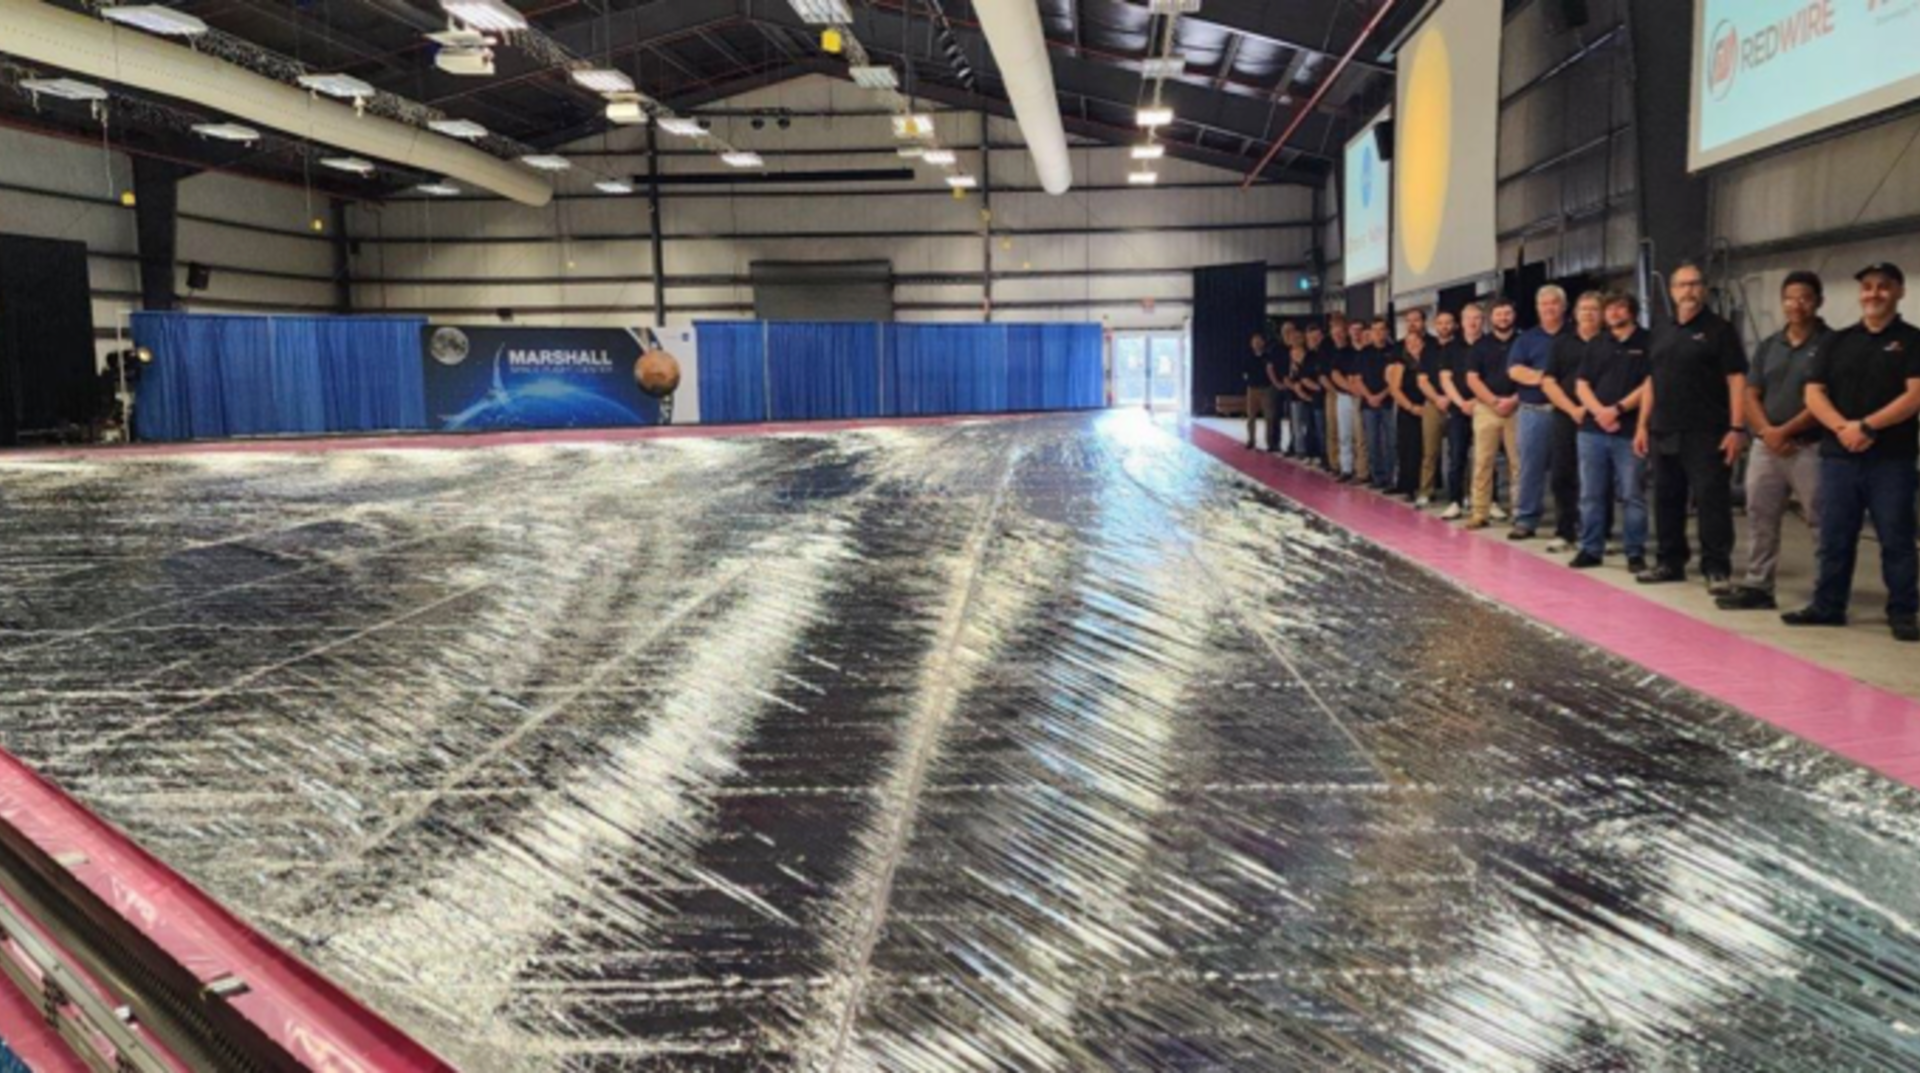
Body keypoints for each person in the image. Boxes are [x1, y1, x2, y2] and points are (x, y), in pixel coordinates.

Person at [1783, 264, 1920, 642]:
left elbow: (1914, 395)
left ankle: (1904, 612)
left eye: (1883, 287)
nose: (1874, 294)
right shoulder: (1836, 341)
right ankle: (1828, 606)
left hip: (1891, 459)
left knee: (1896, 539)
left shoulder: (1912, 340)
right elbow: (1813, 392)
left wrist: (1868, 426)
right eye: (1868, 288)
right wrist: (1844, 428)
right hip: (1840, 456)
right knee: (1835, 536)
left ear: (1899, 292)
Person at [1720, 273, 1833, 612]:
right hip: (1766, 447)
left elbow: (1825, 398)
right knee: (1760, 516)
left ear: (1818, 301)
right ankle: (1759, 585)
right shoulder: (1770, 345)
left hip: (1809, 446)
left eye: (1805, 297)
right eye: (1790, 298)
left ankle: (1826, 591)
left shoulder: (1831, 344)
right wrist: (1768, 431)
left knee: (1820, 520)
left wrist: (1785, 431)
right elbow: (1751, 393)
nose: (1796, 304)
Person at [1637, 263, 1749, 594]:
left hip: (1707, 432)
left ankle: (1716, 567)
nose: (1689, 291)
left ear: (1704, 289)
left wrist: (1736, 427)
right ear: (1672, 291)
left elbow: (1736, 379)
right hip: (1663, 430)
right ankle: (1670, 562)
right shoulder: (1660, 330)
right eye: (1682, 285)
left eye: (1695, 284)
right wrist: (1643, 425)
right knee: (1666, 500)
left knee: (1711, 501)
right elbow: (1651, 381)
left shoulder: (1720, 330)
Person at [1573, 293, 1653, 573]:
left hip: (1629, 431)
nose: (1615, 313)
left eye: (1620, 308)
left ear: (1631, 311)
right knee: (1591, 494)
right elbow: (1582, 385)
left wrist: (1617, 410)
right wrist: (1600, 413)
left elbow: (1649, 386)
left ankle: (1635, 552)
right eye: (1610, 309)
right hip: (1592, 432)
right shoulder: (1597, 343)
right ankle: (1591, 548)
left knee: (1632, 494)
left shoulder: (1648, 342)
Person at [1542, 292, 1605, 554]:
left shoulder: (1609, 343)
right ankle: (1565, 530)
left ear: (1602, 314)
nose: (1588, 313)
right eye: (1583, 309)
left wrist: (1595, 410)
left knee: (1599, 480)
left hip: (1602, 418)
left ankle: (1599, 533)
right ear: (1575, 313)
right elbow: (1548, 381)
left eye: (1594, 309)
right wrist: (1572, 409)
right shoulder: (1562, 343)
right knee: (1562, 474)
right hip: (1566, 416)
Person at [1508, 286, 1571, 541]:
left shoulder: (1574, 336)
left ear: (1563, 307)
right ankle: (1526, 518)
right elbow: (1514, 370)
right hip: (1534, 412)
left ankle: (1568, 522)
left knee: (1567, 471)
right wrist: (1544, 379)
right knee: (1530, 468)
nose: (1549, 308)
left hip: (1566, 413)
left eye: (1554, 303)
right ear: (1537, 308)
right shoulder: (1526, 339)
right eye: (1543, 304)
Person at [1465, 299, 1522, 529]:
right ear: (1491, 318)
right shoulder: (1480, 346)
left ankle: (1520, 513)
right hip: (1487, 409)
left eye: (1507, 314)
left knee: (1518, 464)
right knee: (1483, 462)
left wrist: (1513, 400)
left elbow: (1533, 375)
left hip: (1518, 407)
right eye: (1499, 314)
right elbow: (1472, 378)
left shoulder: (1523, 341)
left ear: (1513, 316)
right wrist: (1493, 401)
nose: (1503, 318)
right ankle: (1480, 512)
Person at [1439, 306, 1481, 520]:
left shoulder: (1489, 344)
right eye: (1468, 318)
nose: (1472, 323)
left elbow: (1494, 378)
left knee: (1484, 459)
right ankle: (1455, 501)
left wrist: (1477, 400)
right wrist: (1461, 402)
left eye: (1476, 318)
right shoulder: (1451, 348)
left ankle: (1487, 502)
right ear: (1461, 322)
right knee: (1457, 456)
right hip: (1458, 409)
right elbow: (1445, 378)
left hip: (1484, 408)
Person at [1417, 310, 1460, 509]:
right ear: (1435, 325)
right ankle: (1426, 491)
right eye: (1441, 323)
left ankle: (1460, 494)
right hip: (1433, 404)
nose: (1444, 326)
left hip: (1456, 403)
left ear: (1455, 325)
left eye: (1448, 322)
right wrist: (1437, 398)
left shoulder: (1461, 347)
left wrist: (1451, 398)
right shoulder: (1428, 350)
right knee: (1430, 451)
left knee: (1458, 451)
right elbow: (1422, 380)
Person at [1390, 327, 1430, 500]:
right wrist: (1411, 407)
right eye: (1409, 343)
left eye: (1416, 342)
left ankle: (1427, 487)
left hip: (1429, 408)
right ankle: (1408, 487)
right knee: (1408, 449)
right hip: (1408, 410)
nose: (1413, 345)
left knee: (1427, 450)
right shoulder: (1401, 364)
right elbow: (1394, 389)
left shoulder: (1431, 361)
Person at [1359, 318, 1397, 489]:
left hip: (1389, 401)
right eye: (1375, 330)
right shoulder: (1363, 353)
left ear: (1387, 332)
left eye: (1382, 329)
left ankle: (1391, 477)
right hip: (1368, 403)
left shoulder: (1394, 351)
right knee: (1372, 441)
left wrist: (1381, 395)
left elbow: (1396, 379)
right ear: (1370, 333)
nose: (1378, 333)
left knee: (1391, 441)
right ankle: (1377, 477)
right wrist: (1369, 396)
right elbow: (1358, 379)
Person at [1288, 326, 1325, 462]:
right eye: (1311, 338)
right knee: (1306, 425)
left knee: (1317, 427)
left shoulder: (1316, 354)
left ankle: (1319, 453)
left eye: (1316, 338)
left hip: (1315, 395)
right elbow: (1301, 377)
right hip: (1304, 394)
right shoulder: (1308, 356)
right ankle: (1305, 451)